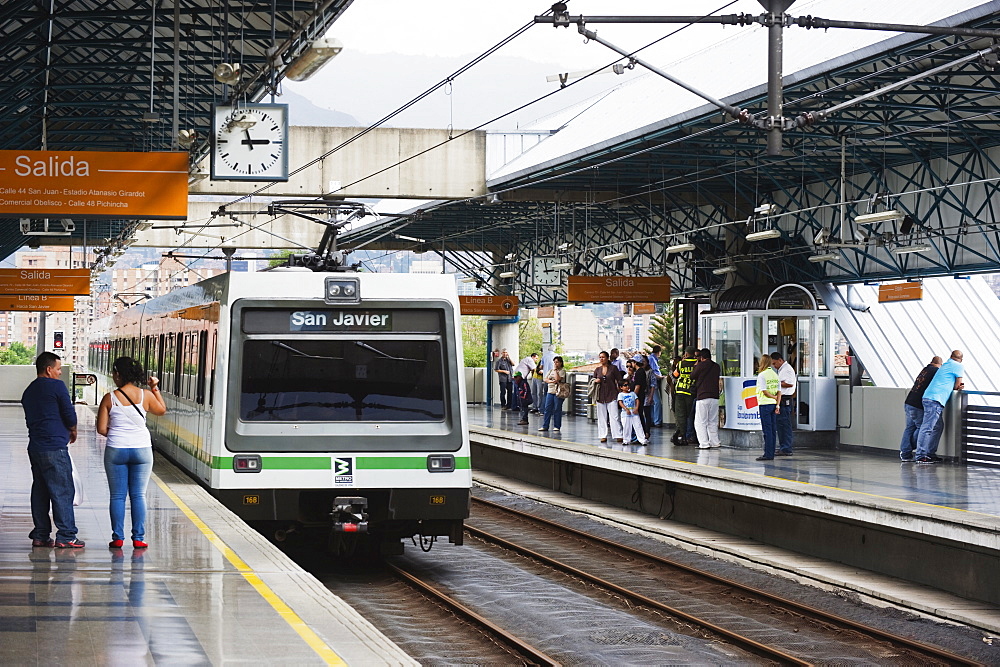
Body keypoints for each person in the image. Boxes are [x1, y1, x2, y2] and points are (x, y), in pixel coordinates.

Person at [96, 356, 167, 549]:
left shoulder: (109, 398)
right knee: (138, 495)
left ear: (118, 374)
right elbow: (161, 410)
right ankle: (139, 538)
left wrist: (119, 433)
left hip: (116, 450)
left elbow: (102, 429)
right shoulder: (146, 395)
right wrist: (154, 387)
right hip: (142, 450)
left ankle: (118, 537)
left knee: (117, 496)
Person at [22, 352, 83, 548]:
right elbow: (69, 413)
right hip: (54, 447)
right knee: (62, 490)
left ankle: (40, 534)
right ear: (48, 369)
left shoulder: (29, 390)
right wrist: (72, 429)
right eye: (58, 369)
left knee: (40, 491)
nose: (59, 373)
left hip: (36, 447)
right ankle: (66, 535)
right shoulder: (56, 386)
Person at [915, 350, 965, 464]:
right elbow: (958, 385)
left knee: (937, 427)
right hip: (935, 399)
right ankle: (921, 455)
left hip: (929, 397)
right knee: (928, 427)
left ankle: (930, 454)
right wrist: (958, 387)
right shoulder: (958, 366)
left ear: (951, 357)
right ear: (961, 359)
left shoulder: (947, 364)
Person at [900, 356, 942, 462]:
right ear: (939, 365)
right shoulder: (936, 371)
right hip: (918, 404)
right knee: (921, 428)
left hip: (909, 401)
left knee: (909, 428)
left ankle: (905, 454)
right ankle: (915, 448)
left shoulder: (925, 369)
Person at [691, 348, 722, 449]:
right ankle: (715, 442)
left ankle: (704, 444)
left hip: (703, 396)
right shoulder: (716, 366)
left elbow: (692, 376)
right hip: (715, 397)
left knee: (700, 422)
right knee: (712, 421)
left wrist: (695, 366)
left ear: (701, 357)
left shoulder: (700, 365)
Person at [593, 351, 623, 443]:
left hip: (612, 394)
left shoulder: (613, 368)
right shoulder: (597, 370)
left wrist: (621, 391)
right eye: (600, 357)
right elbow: (593, 380)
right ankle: (603, 435)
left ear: (607, 358)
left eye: (603, 357)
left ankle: (618, 434)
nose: (601, 359)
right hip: (600, 395)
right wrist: (596, 380)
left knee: (614, 416)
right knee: (601, 417)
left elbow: (619, 380)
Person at [754, 354, 781, 461]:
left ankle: (768, 454)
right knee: (773, 430)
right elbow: (779, 392)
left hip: (765, 404)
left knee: (767, 430)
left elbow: (764, 391)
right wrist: (777, 404)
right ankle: (772, 452)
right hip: (774, 405)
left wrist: (772, 397)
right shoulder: (775, 375)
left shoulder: (762, 375)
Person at [771, 351, 797, 456]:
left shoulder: (787, 370)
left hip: (785, 399)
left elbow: (789, 384)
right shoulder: (782, 370)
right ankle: (783, 447)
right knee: (780, 425)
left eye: (774, 363)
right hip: (781, 399)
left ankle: (786, 448)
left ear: (780, 360)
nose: (774, 366)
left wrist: (775, 384)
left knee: (785, 425)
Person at [672, 347, 698, 445]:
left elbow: (675, 375)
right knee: (690, 415)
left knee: (681, 415)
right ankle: (689, 435)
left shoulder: (681, 364)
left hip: (680, 391)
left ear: (686, 354)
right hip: (691, 391)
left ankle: (682, 435)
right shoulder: (697, 363)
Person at [539, 356, 566, 432]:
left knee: (557, 409)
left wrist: (556, 372)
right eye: (554, 362)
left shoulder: (562, 371)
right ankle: (545, 425)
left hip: (558, 392)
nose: (555, 364)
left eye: (557, 362)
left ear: (560, 363)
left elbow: (558, 379)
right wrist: (551, 381)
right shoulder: (551, 370)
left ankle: (557, 426)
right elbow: (545, 379)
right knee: (547, 409)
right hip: (550, 391)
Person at [617, 379, 647, 445]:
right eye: (625, 385)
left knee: (638, 426)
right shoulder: (621, 395)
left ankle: (642, 439)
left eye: (628, 385)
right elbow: (620, 402)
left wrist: (636, 408)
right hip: (626, 413)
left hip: (634, 412)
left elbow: (637, 400)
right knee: (626, 427)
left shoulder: (632, 393)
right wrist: (626, 409)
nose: (627, 387)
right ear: (621, 387)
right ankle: (626, 440)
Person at [648, 345, 665, 427]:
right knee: (657, 402)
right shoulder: (652, 359)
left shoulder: (652, 358)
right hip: (653, 383)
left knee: (652, 401)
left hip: (654, 382)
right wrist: (659, 377)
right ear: (659, 352)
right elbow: (652, 371)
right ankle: (657, 421)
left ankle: (652, 420)